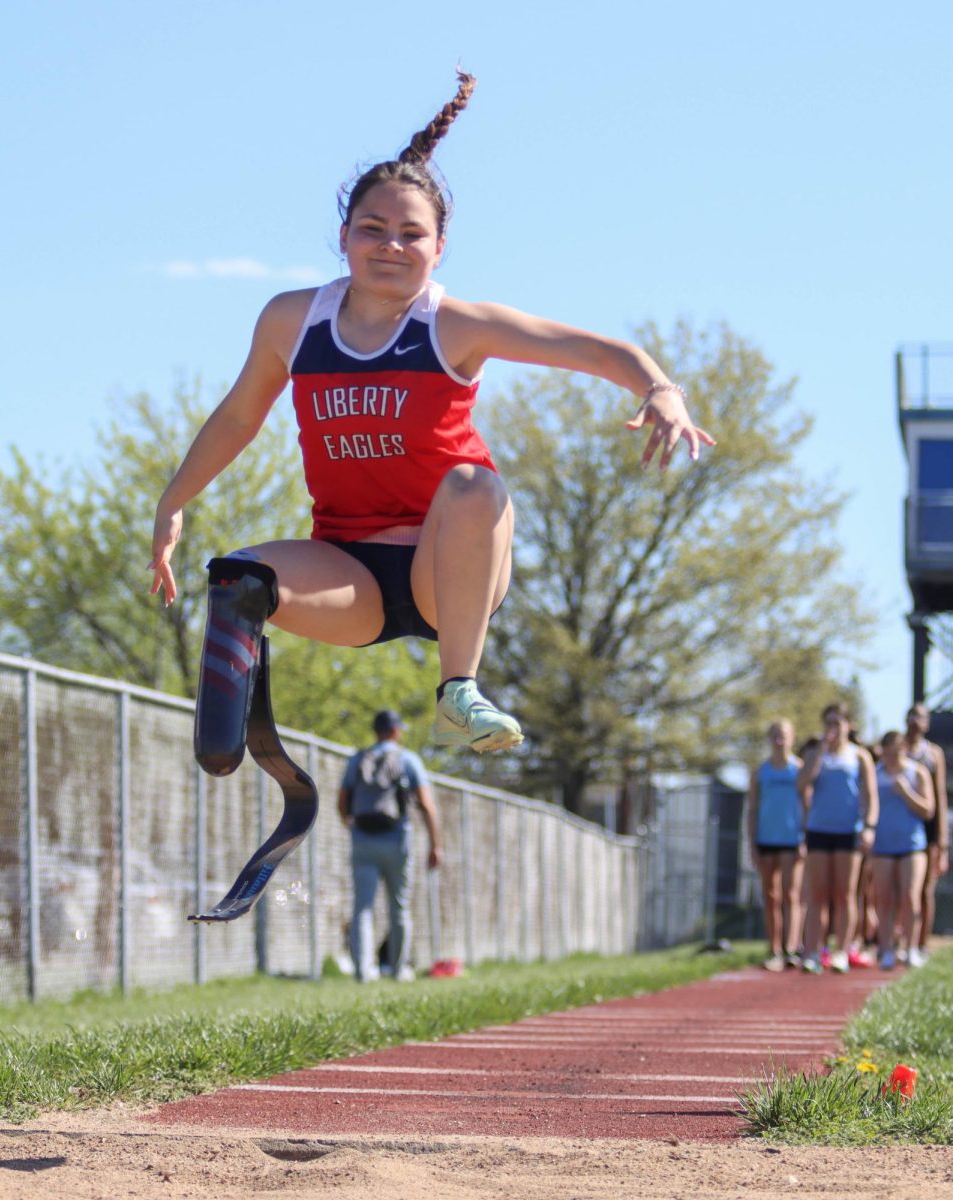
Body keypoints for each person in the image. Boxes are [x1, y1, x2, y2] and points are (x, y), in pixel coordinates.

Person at [148, 70, 714, 755]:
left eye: (410, 234)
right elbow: (239, 416)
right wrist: (174, 501)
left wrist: (659, 387)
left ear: (439, 247)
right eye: (373, 229)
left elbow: (594, 350)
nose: (390, 245)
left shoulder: (453, 326)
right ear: (344, 235)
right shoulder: (293, 321)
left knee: (476, 483)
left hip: (448, 569)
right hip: (346, 570)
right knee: (236, 578)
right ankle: (222, 747)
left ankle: (460, 693)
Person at [336, 708, 441, 982]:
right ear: (395, 731)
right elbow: (427, 806)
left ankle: (362, 972)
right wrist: (435, 845)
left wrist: (352, 827)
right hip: (398, 841)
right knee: (399, 907)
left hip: (363, 840)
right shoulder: (408, 760)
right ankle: (397, 970)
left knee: (363, 908)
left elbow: (342, 802)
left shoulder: (358, 759)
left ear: (376, 731)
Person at [796, 703, 878, 974]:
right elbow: (801, 786)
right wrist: (818, 754)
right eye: (828, 722)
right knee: (817, 894)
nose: (833, 727)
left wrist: (869, 826)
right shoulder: (815, 754)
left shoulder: (860, 756)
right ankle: (812, 952)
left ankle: (842, 951)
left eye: (838, 722)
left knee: (845, 894)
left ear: (848, 725)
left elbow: (871, 796)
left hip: (848, 832)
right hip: (819, 829)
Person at [870, 730, 934, 969]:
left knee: (910, 896)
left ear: (904, 750)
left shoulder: (917, 772)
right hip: (882, 845)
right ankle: (886, 949)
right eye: (887, 753)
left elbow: (928, 810)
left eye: (896, 752)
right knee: (884, 898)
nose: (891, 757)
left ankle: (911, 948)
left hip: (912, 844)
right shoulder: (876, 774)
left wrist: (907, 792)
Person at [746, 719, 805, 971]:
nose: (779, 741)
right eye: (775, 736)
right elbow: (752, 809)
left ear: (792, 738)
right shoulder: (760, 773)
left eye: (784, 736)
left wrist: (805, 837)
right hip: (766, 839)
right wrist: (752, 843)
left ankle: (792, 947)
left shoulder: (800, 769)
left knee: (791, 894)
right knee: (771, 896)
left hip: (792, 840)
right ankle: (774, 948)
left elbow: (808, 805)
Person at [903, 702, 948, 963]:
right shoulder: (896, 750)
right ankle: (899, 940)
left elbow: (940, 796)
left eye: (920, 717)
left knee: (924, 888)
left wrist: (941, 840)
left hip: (927, 827)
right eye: (911, 716)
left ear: (927, 723)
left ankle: (921, 943)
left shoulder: (933, 754)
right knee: (900, 887)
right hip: (899, 825)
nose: (915, 722)